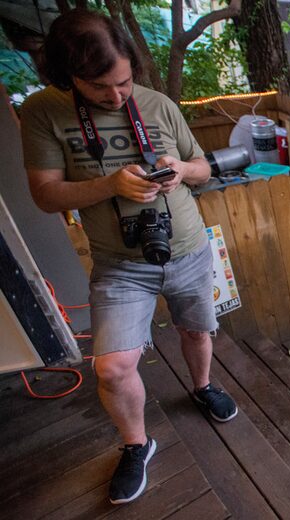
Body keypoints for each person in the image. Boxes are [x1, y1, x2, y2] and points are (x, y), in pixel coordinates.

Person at [19, 10, 237, 505]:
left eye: (123, 82)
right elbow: (45, 196)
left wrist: (181, 168)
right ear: (67, 76)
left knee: (197, 330)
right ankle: (137, 443)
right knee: (112, 367)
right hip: (119, 264)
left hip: (187, 248)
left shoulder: (157, 104)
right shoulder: (43, 112)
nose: (117, 97)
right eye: (100, 88)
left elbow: (203, 166)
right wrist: (109, 185)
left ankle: (202, 386)